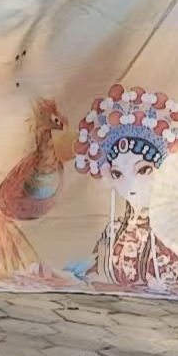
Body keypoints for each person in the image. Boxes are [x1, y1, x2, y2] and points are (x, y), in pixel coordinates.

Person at [70, 84, 178, 292]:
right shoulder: (112, 231)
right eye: (118, 174)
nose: (131, 185)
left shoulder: (172, 226)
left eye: (143, 170)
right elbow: (96, 273)